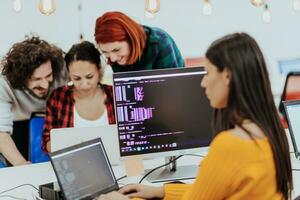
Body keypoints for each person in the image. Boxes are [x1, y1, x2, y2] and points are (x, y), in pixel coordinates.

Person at [98, 33, 293, 200]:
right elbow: (210, 192)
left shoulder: (231, 145)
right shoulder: (269, 132)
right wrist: (161, 191)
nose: (202, 83)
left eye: (207, 73)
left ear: (227, 76)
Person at [0, 36, 67, 166]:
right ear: (21, 77)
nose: (46, 85)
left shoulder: (62, 68)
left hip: (56, 122)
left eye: (48, 76)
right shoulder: (4, 83)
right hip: (20, 125)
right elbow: (1, 131)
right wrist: (21, 164)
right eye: (37, 79)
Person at [42, 41, 116, 153]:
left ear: (99, 70)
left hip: (116, 164)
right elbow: (46, 140)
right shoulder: (58, 98)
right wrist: (61, 150)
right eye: (77, 78)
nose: (84, 84)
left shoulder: (115, 95)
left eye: (89, 77)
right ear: (69, 73)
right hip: (73, 165)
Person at [94, 11, 184, 72]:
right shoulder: (114, 57)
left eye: (116, 50)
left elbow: (174, 86)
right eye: (105, 52)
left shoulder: (159, 43)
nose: (112, 59)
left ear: (131, 39)